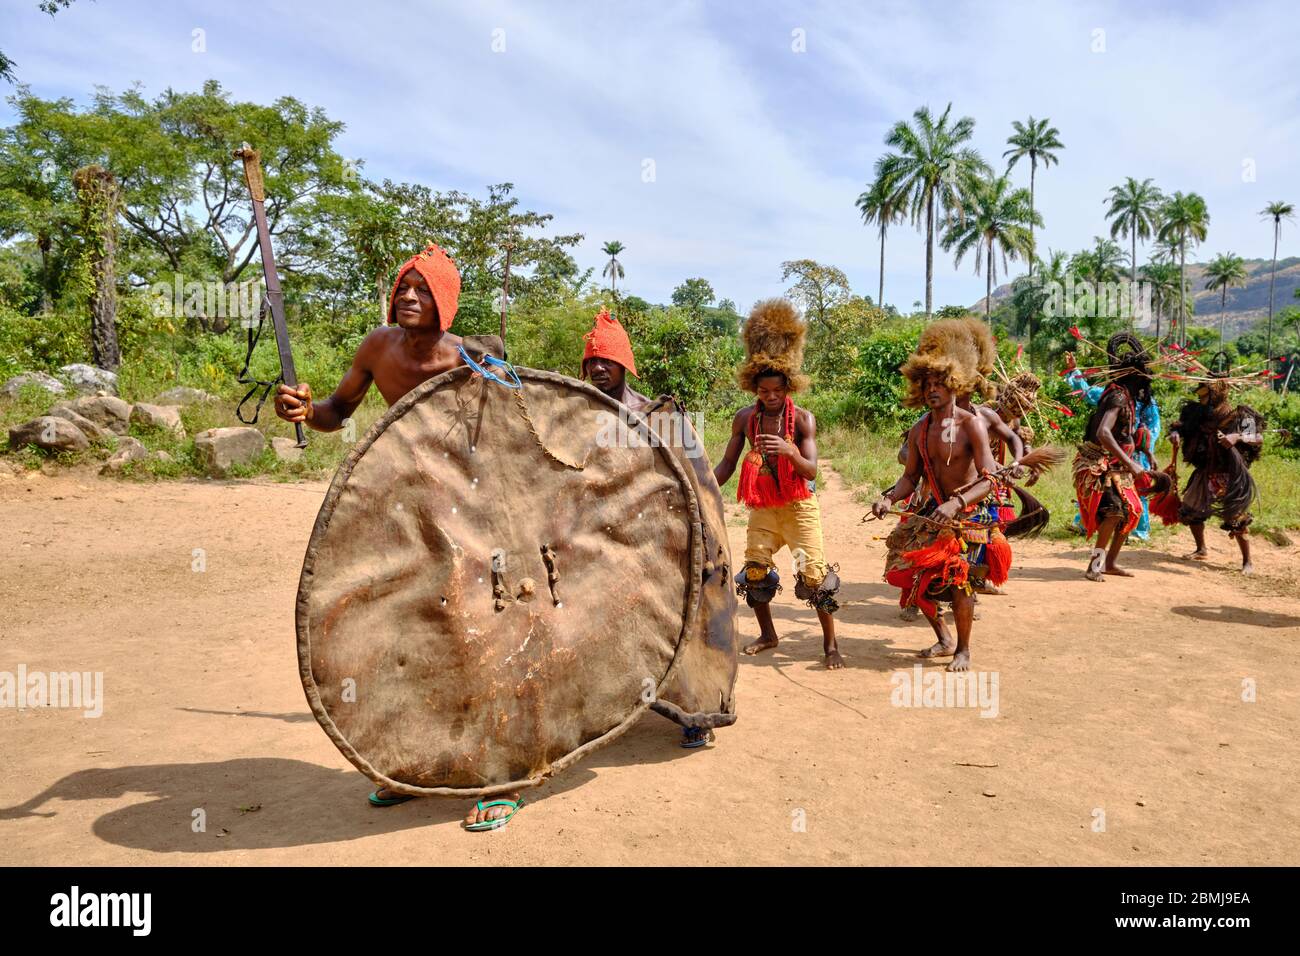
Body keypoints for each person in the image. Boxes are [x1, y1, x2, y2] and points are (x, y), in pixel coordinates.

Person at [276, 243, 520, 832]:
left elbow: (517, 431)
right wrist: (305, 412)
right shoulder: (376, 348)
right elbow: (339, 409)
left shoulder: (471, 358)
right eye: (403, 288)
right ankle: (412, 766)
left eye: (423, 289)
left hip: (470, 510)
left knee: (475, 634)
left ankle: (502, 775)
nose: (409, 297)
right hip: (402, 511)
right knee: (401, 633)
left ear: (447, 301)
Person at [872, 319, 1009, 673]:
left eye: (939, 383)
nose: (932, 389)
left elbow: (990, 478)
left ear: (953, 383)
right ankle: (944, 637)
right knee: (913, 578)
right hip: (934, 511)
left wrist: (957, 502)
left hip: (969, 513)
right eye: (926, 384)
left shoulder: (971, 423)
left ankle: (963, 649)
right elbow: (909, 477)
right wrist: (888, 498)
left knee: (959, 581)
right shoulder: (921, 428)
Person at [713, 299, 843, 669]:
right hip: (764, 508)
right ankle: (768, 634)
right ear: (754, 389)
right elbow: (726, 463)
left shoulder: (803, 420)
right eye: (763, 392)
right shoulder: (744, 419)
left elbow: (811, 471)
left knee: (815, 578)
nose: (770, 398)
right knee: (755, 574)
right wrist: (702, 484)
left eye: (776, 391)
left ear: (789, 387)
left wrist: (788, 451)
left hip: (800, 506)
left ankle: (831, 646)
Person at [1167, 361, 1265, 574]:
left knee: (1237, 517)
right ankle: (1201, 548)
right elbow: (1182, 428)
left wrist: (1236, 436)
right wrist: (1175, 434)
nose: (1202, 398)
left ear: (1218, 391)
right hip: (1204, 471)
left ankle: (1247, 561)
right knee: (1190, 510)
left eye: (1206, 393)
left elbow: (1257, 438)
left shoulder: (1240, 415)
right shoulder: (1199, 413)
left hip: (1227, 473)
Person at [1071, 332, 1153, 581]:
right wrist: (1130, 462)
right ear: (1134, 376)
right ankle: (1094, 567)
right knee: (1114, 512)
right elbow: (1103, 432)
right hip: (1098, 464)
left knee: (1132, 511)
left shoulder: (1125, 396)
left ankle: (1111, 563)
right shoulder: (1117, 396)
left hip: (1117, 466)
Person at [1064, 351, 1160, 540]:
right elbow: (1088, 393)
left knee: (1132, 505)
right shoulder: (1117, 396)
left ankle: (1137, 533)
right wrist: (1074, 370)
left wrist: (1147, 449)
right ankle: (1095, 538)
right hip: (1111, 456)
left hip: (1133, 455)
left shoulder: (1146, 401)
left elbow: (1153, 426)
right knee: (1111, 506)